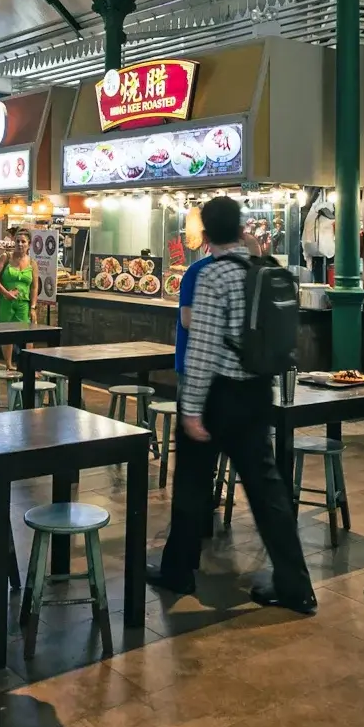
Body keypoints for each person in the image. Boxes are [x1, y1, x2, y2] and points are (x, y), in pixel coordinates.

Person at [169, 196, 315, 612]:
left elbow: (202, 350)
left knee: (192, 486)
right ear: (239, 228)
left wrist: (192, 408)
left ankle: (178, 571)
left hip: (219, 394)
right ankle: (296, 587)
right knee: (268, 494)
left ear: (207, 233)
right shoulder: (263, 270)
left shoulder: (214, 277)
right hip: (257, 393)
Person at [147, 241, 224, 595]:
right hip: (199, 375)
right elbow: (187, 318)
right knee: (197, 468)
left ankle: (183, 559)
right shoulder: (197, 272)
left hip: (221, 382)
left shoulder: (233, 274)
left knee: (197, 470)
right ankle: (185, 556)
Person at [0, 229, 34, 367]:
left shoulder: (32, 263)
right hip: (6, 302)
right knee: (7, 334)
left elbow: (34, 287)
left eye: (23, 242)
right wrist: (5, 293)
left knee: (27, 335)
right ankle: (8, 365)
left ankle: (29, 364)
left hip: (24, 303)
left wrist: (33, 306)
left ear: (29, 244)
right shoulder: (6, 257)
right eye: (17, 241)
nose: (20, 244)